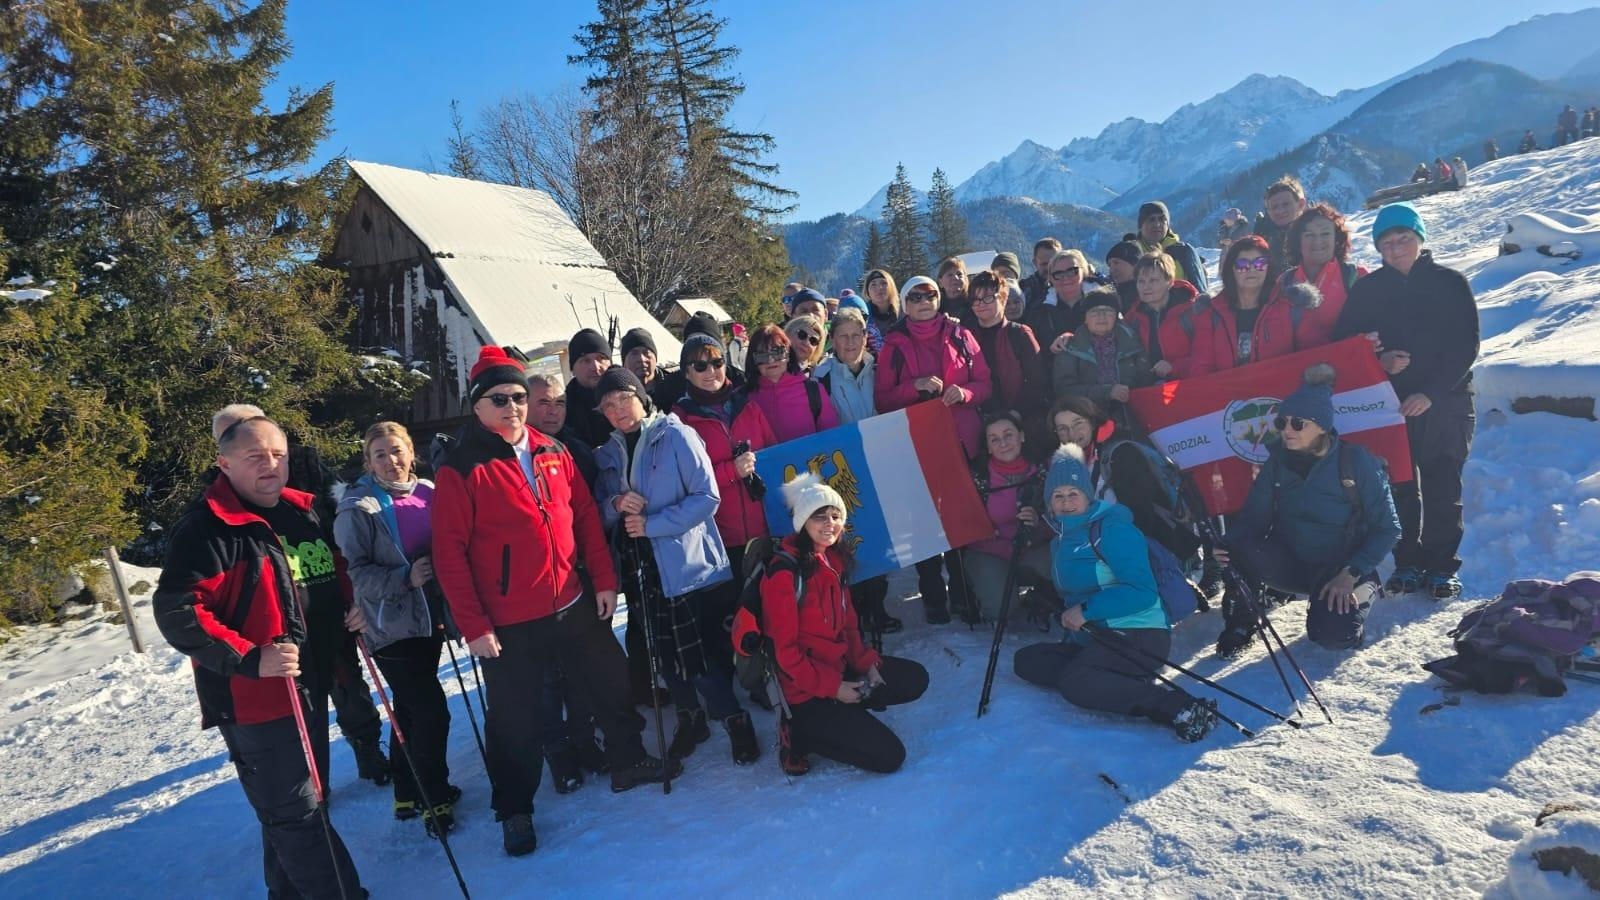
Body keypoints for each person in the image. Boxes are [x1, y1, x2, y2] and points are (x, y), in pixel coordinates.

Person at [433, 346, 678, 857]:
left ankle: (628, 759)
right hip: (509, 620)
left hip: (571, 598)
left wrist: (605, 581)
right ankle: (515, 808)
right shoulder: (462, 468)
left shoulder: (553, 450)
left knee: (611, 681)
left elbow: (586, 518)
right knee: (515, 719)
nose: (513, 406)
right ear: (477, 406)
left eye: (519, 396)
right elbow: (449, 554)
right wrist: (473, 624)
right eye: (499, 398)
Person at [154, 415, 365, 897]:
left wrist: (352, 608)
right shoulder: (208, 529)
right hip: (257, 698)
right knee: (299, 813)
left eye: (277, 454)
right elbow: (178, 611)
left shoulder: (305, 511)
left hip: (308, 683)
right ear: (223, 464)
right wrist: (250, 657)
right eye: (254, 457)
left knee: (298, 808)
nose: (270, 465)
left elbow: (330, 571)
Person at [205, 404, 390, 788]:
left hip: (328, 617)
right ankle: (308, 787)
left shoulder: (300, 482)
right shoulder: (216, 508)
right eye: (231, 435)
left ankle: (368, 750)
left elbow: (336, 546)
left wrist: (353, 597)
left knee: (350, 690)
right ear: (223, 456)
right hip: (277, 641)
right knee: (297, 717)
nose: (265, 461)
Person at [595, 365, 760, 766]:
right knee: (661, 652)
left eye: (624, 399)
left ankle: (735, 720)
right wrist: (616, 505)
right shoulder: (608, 451)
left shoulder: (676, 435)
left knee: (693, 653)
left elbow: (707, 497)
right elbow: (599, 506)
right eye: (608, 405)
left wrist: (653, 524)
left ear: (640, 396)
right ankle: (690, 717)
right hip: (640, 565)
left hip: (681, 561)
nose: (618, 410)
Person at [1012, 446, 1219, 743]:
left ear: (1087, 495)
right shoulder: (1062, 539)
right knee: (1028, 661)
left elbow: (1142, 593)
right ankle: (1112, 676)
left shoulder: (1113, 529)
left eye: (1074, 494)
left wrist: (1085, 611)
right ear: (1049, 503)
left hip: (1140, 633)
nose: (1066, 502)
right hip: (1096, 635)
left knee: (1076, 683)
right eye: (1058, 496)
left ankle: (1177, 707)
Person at [1334, 202, 1479, 601]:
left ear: (1419, 239)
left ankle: (1441, 566)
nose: (1396, 248)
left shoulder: (1449, 282)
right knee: (1398, 485)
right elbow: (1343, 342)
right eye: (1387, 241)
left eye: (1404, 238)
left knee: (1442, 483)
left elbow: (1467, 344)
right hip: (1388, 403)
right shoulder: (1368, 290)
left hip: (1445, 402)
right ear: (1378, 247)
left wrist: (1429, 394)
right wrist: (1378, 360)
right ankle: (1407, 561)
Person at [1213, 366, 1401, 658]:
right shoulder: (1277, 462)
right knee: (1238, 550)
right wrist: (1228, 547)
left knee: (1334, 638)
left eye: (1298, 424)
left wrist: (1351, 573)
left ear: (1323, 427)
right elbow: (1253, 520)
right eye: (1282, 422)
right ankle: (1242, 622)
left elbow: (1388, 528)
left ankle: (1364, 590)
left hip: (1339, 568)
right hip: (1292, 560)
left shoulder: (1356, 461)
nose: (1287, 430)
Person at [333, 422, 460, 834]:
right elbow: (358, 576)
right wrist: (406, 577)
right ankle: (434, 798)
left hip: (429, 619)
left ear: (411, 452)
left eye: (397, 451)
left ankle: (406, 790)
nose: (391, 462)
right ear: (368, 462)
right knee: (432, 714)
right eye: (380, 455)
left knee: (408, 709)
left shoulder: (429, 492)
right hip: (391, 627)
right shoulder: (358, 507)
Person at [764, 474, 930, 775]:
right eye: (820, 516)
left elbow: (849, 629)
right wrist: (833, 688)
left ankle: (846, 712)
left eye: (835, 515)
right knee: (890, 757)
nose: (830, 523)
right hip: (805, 691)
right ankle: (800, 733)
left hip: (838, 669)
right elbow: (784, 655)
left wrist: (867, 666)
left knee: (914, 678)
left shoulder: (834, 562)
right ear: (803, 522)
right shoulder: (784, 575)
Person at [876, 274, 992, 624]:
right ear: (905, 304)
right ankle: (932, 594)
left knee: (962, 517)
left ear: (939, 298)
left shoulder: (961, 335)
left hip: (961, 439)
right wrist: (914, 386)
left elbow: (985, 383)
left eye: (929, 295)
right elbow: (882, 400)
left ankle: (963, 590)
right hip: (917, 444)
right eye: (914, 297)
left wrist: (965, 393)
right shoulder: (894, 345)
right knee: (924, 520)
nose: (923, 302)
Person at [811, 309, 902, 639]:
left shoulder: (882, 371)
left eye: (856, 335)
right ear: (833, 340)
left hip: (880, 460)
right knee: (848, 541)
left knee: (877, 537)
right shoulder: (821, 378)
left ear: (866, 338)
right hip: (843, 468)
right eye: (843, 336)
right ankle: (855, 611)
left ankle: (877, 607)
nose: (850, 342)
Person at [963, 414, 1056, 622]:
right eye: (994, 439)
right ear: (987, 446)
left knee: (1066, 566)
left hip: (1035, 547)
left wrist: (1040, 523)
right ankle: (991, 590)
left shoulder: (1044, 469)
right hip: (990, 552)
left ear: (1022, 436)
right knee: (1001, 610)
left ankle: (1046, 594)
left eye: (1008, 435)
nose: (1003, 443)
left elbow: (1065, 519)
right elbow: (963, 526)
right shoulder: (977, 477)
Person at [1189, 235, 1324, 376]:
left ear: (1268, 267)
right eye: (1243, 264)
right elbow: (1202, 369)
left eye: (1260, 263)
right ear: (1231, 269)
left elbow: (1313, 358)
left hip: (1284, 395)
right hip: (1231, 396)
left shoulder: (1291, 306)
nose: (1252, 269)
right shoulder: (1211, 314)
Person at [1051, 289, 1153, 432]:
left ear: (1116, 317)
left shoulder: (1134, 343)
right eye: (1094, 311)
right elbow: (1063, 391)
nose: (1101, 316)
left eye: (1108, 311)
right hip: (1087, 419)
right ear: (1085, 318)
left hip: (1132, 416)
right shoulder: (1069, 347)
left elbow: (1146, 382)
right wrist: (1107, 392)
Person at [966, 271, 1049, 445]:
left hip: (1021, 419)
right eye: (976, 299)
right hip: (980, 421)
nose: (981, 304)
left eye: (988, 298)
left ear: (1002, 298)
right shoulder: (965, 336)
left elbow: (1037, 381)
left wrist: (1016, 413)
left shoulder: (1019, 333)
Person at [1279, 203, 1368, 348]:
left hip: (1348, 365)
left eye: (1325, 233)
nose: (1318, 241)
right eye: (1309, 235)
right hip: (1297, 367)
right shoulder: (1284, 282)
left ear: (1337, 239)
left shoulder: (1356, 277)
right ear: (1298, 241)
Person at [744, 323, 839, 442]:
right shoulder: (743, 397)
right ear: (753, 360)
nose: (771, 360)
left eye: (777, 352)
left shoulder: (813, 391)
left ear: (788, 354)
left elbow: (832, 437)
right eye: (762, 355)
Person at [1125, 251, 1202, 381]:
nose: (1146, 287)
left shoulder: (1193, 311)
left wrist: (1174, 367)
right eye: (1141, 281)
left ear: (1170, 281)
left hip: (1190, 385)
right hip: (1150, 388)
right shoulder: (1133, 318)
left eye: (1153, 280)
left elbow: (1210, 355)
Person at [1127, 201, 1209, 294]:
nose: (1157, 224)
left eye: (1162, 219)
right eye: (1151, 219)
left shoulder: (1183, 251)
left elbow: (1201, 294)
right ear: (1141, 225)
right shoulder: (1130, 253)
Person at [1025, 248, 1092, 351]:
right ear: (1050, 278)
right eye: (1058, 274)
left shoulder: (1102, 303)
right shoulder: (1038, 311)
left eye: (1072, 271)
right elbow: (1031, 352)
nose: (1066, 278)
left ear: (1083, 271)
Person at [564, 327, 615, 448]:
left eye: (601, 358)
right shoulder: (563, 410)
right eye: (585, 360)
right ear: (573, 370)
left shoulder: (631, 397)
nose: (595, 367)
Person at [1254, 176, 1308, 270]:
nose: (1280, 211)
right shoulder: (1261, 239)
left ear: (1301, 204)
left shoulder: (1316, 235)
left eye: (1286, 204)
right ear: (1269, 211)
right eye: (1274, 207)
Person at [620, 326, 673, 411]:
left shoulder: (674, 386)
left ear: (655, 358)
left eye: (646, 352)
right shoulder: (617, 394)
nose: (641, 359)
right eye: (634, 353)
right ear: (624, 362)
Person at [861, 268, 900, 355]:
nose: (879, 288)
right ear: (868, 292)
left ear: (891, 287)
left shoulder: (904, 313)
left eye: (884, 283)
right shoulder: (862, 318)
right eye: (873, 285)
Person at [1021, 237, 1062, 309]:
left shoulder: (1071, 284)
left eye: (1053, 263)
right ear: (1035, 263)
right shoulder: (1023, 289)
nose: (1049, 268)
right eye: (1044, 264)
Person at [1104, 240, 1143, 312]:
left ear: (1134, 264)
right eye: (1109, 265)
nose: (1112, 269)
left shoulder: (1146, 294)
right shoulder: (1110, 292)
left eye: (1116, 262)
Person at [937, 256, 971, 324]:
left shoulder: (974, 302)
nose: (955, 278)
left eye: (959, 274)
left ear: (965, 279)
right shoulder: (936, 307)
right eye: (950, 275)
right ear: (940, 282)